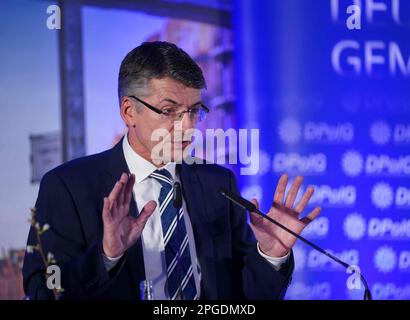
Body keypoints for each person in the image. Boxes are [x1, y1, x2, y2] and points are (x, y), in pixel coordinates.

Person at [23, 41, 321, 300]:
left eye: (194, 111)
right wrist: (106, 256)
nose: (189, 127)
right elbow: (42, 290)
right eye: (169, 111)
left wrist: (270, 254)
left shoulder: (218, 183)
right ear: (129, 111)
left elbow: (245, 297)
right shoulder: (67, 186)